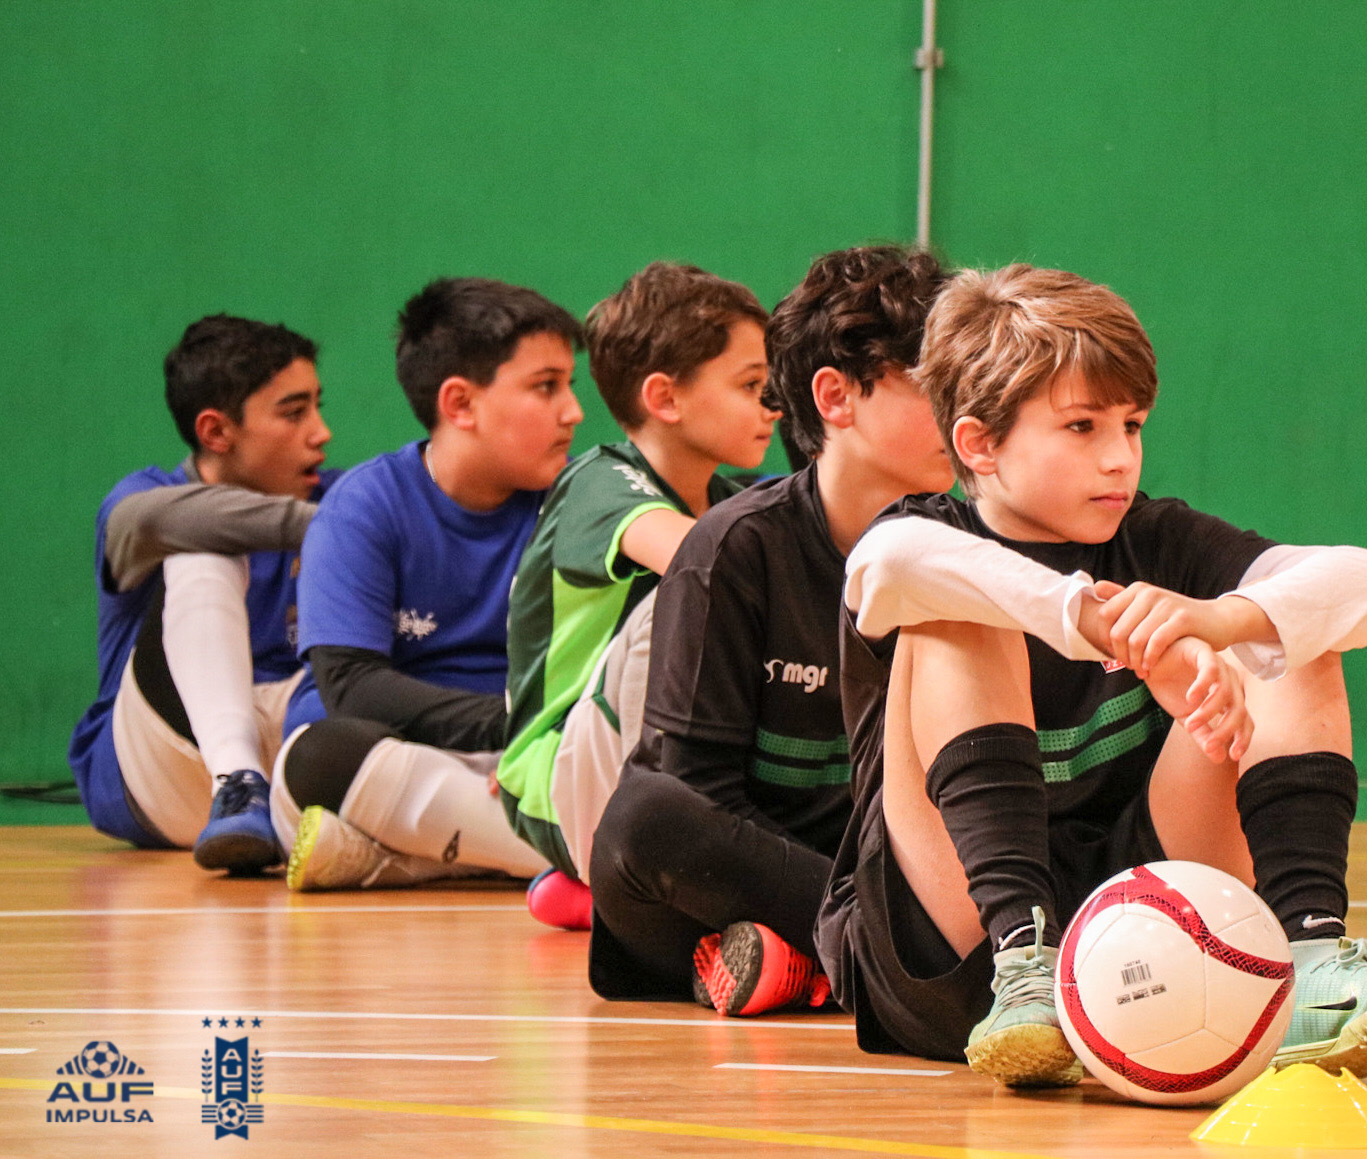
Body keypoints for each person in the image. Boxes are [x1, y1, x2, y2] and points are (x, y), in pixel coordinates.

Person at [817, 264, 1367, 1086]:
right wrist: (1102, 625)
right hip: (955, 947)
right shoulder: (920, 532)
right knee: (958, 609)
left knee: (1289, 627)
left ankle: (1309, 956)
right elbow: (887, 563)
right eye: (1081, 427)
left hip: (1135, 929)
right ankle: (1025, 962)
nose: (1117, 459)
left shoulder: (1155, 537)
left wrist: (1218, 620)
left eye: (1131, 426)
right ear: (978, 444)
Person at [586, 245, 956, 1016]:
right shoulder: (731, 549)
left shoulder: (977, 546)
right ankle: (866, 952)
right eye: (935, 387)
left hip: (903, 874)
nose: (964, 412)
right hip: (743, 877)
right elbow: (697, 791)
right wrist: (842, 900)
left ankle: (804, 963)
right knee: (646, 817)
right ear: (835, 396)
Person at [270, 277, 579, 890]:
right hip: (395, 758)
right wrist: (517, 727)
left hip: (532, 759)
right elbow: (353, 689)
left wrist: (544, 742)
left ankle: (408, 857)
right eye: (546, 387)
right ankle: (587, 866)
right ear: (460, 404)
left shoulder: (578, 503)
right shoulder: (363, 506)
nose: (573, 411)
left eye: (570, 386)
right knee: (320, 756)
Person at [497, 262, 778, 931]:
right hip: (557, 780)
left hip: (637, 786)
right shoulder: (597, 484)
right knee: (688, 600)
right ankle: (631, 875)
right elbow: (698, 562)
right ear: (665, 398)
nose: (772, 405)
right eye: (750, 385)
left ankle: (612, 889)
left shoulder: (735, 500)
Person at [68, 314, 336, 873]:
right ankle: (237, 780)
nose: (321, 431)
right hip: (165, 763)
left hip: (297, 745)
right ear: (216, 431)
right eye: (293, 412)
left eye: (317, 405)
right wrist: (351, 530)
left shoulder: (340, 496)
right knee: (201, 548)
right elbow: (153, 523)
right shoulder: (145, 502)